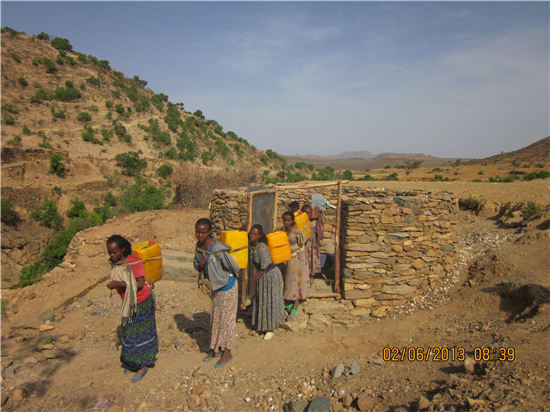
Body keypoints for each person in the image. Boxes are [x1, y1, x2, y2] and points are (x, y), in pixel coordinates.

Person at [106, 235, 158, 383]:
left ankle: (142, 366)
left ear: (122, 249)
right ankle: (133, 362)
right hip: (129, 302)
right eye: (110, 252)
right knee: (129, 332)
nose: (112, 255)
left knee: (139, 333)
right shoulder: (118, 264)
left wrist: (117, 284)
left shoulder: (133, 262)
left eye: (114, 252)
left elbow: (139, 283)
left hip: (141, 302)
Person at [193, 218, 239, 368]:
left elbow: (233, 266)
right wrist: (201, 266)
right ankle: (216, 350)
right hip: (216, 288)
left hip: (228, 287)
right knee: (216, 318)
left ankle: (227, 352)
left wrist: (226, 279)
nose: (200, 235)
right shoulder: (199, 247)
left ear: (210, 232)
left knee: (228, 320)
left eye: (203, 232)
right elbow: (197, 266)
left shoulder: (218, 248)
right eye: (198, 232)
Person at [248, 224, 285, 340]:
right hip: (263, 276)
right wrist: (255, 277)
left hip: (271, 276)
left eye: (255, 234)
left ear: (259, 236)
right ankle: (261, 326)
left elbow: (263, 266)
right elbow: (254, 265)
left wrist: (255, 278)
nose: (252, 236)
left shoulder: (262, 247)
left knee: (270, 300)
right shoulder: (252, 247)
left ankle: (270, 328)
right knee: (262, 300)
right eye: (251, 233)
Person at [281, 211, 310, 314]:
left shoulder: (297, 232)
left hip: (299, 257)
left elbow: (303, 243)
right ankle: (292, 298)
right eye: (284, 220)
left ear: (292, 221)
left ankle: (296, 301)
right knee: (290, 279)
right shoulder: (281, 232)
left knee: (297, 278)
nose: (286, 222)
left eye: (288, 220)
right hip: (289, 257)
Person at [301, 204, 324, 281]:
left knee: (312, 258)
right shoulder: (300, 221)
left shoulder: (315, 220)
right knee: (305, 259)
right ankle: (304, 276)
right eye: (306, 213)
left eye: (309, 213)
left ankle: (311, 276)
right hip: (304, 243)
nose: (308, 215)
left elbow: (318, 230)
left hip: (313, 242)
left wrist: (318, 242)